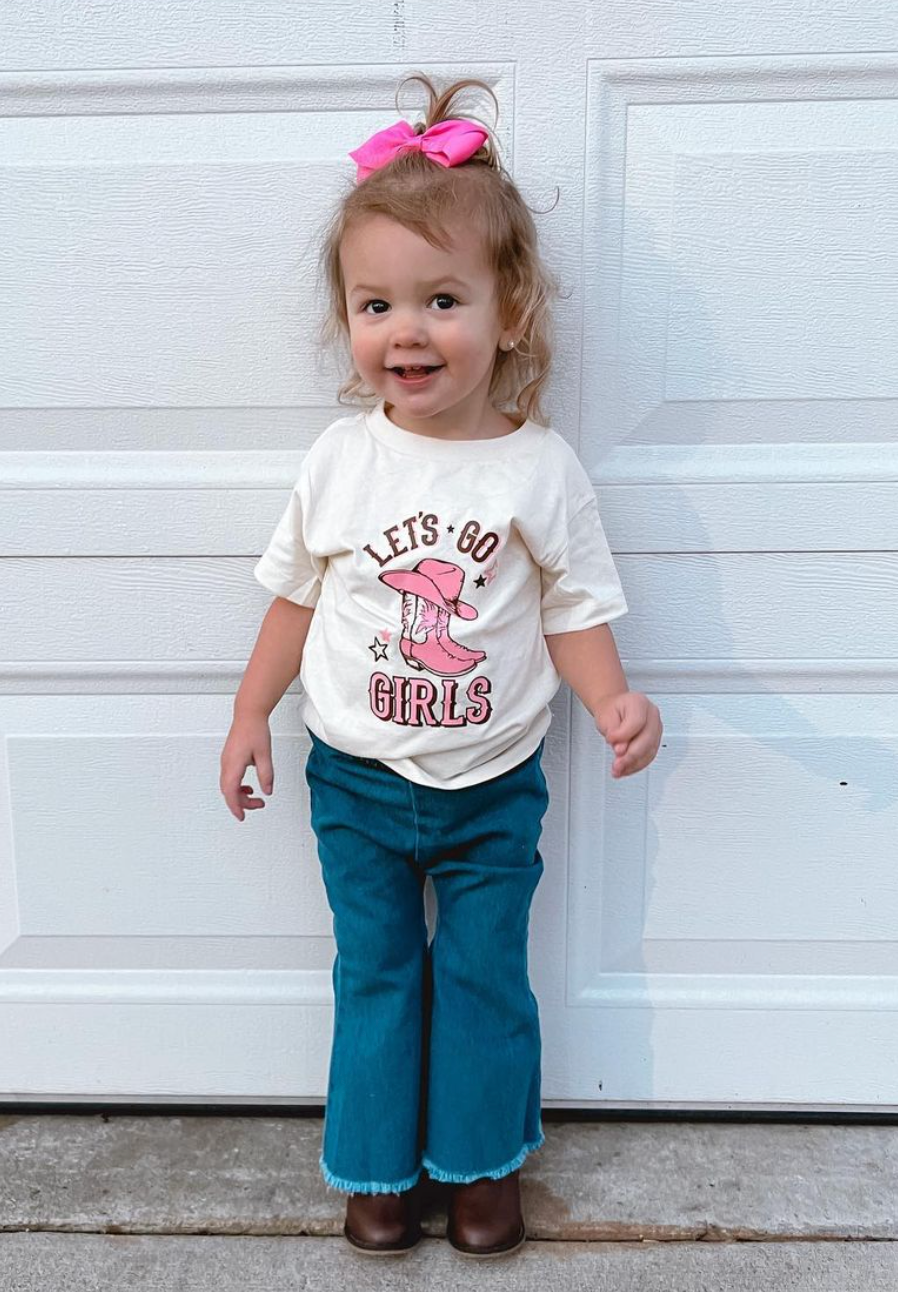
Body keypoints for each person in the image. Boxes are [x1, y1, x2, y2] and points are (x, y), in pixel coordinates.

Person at [220, 71, 663, 1260]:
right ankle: (374, 1173)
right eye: (376, 304)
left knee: (481, 978)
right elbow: (294, 598)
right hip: (356, 776)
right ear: (348, 318)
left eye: (441, 300)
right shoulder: (340, 460)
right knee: (375, 974)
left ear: (508, 312)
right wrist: (250, 713)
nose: (406, 331)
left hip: (493, 783)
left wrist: (611, 695)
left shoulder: (537, 468)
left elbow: (571, 604)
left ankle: (479, 1170)